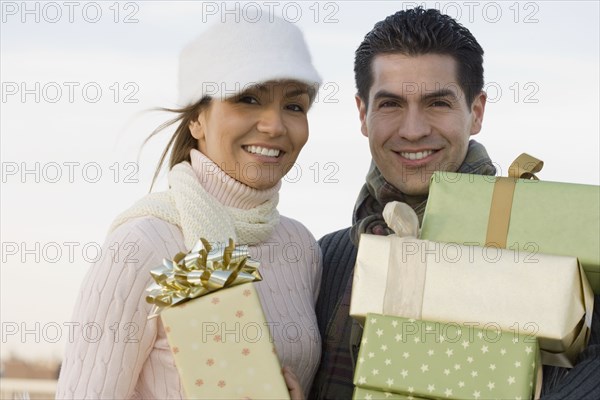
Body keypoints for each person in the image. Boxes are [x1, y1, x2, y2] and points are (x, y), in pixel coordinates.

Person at [309, 7, 600, 400]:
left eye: (437, 104)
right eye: (391, 104)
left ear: (475, 112)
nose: (413, 130)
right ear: (363, 114)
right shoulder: (328, 258)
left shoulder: (556, 243)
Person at [56, 15, 322, 399]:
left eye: (294, 106)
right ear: (197, 118)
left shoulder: (302, 248)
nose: (274, 125)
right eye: (248, 98)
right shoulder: (144, 244)